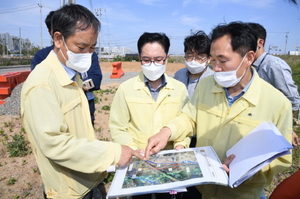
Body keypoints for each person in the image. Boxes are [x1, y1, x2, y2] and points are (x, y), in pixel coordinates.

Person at [144, 21, 293, 199]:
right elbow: (189, 118)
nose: (216, 68)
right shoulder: (206, 85)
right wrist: (167, 132)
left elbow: (281, 159)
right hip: (203, 189)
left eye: (222, 60)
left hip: (242, 194)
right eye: (213, 60)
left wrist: (249, 171)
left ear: (248, 58)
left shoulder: (277, 103)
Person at [21, 4, 143, 199]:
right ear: (58, 39)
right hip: (69, 190)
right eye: (81, 47)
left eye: (92, 47)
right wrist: (113, 153)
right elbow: (55, 144)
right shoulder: (42, 85)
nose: (88, 54)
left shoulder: (71, 73)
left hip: (86, 178)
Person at [109, 32, 189, 199]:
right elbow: (118, 126)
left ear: (167, 58)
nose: (152, 64)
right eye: (146, 59)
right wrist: (132, 149)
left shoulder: (179, 89)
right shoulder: (126, 89)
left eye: (158, 59)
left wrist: (181, 145)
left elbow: (184, 122)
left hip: (169, 161)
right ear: (139, 58)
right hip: (137, 161)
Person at [31, 10, 102, 126]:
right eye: (81, 47)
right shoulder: (41, 58)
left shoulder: (89, 54)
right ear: (54, 34)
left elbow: (96, 79)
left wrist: (79, 85)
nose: (86, 52)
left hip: (86, 107)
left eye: (91, 47)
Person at [248, 22, 300, 146]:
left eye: (247, 42)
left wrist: (286, 129)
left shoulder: (273, 65)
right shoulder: (249, 65)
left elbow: (292, 100)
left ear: (260, 43)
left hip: (271, 127)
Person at [174, 30, 214, 98]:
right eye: (189, 56)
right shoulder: (179, 75)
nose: (193, 61)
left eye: (199, 57)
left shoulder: (213, 79)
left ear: (209, 59)